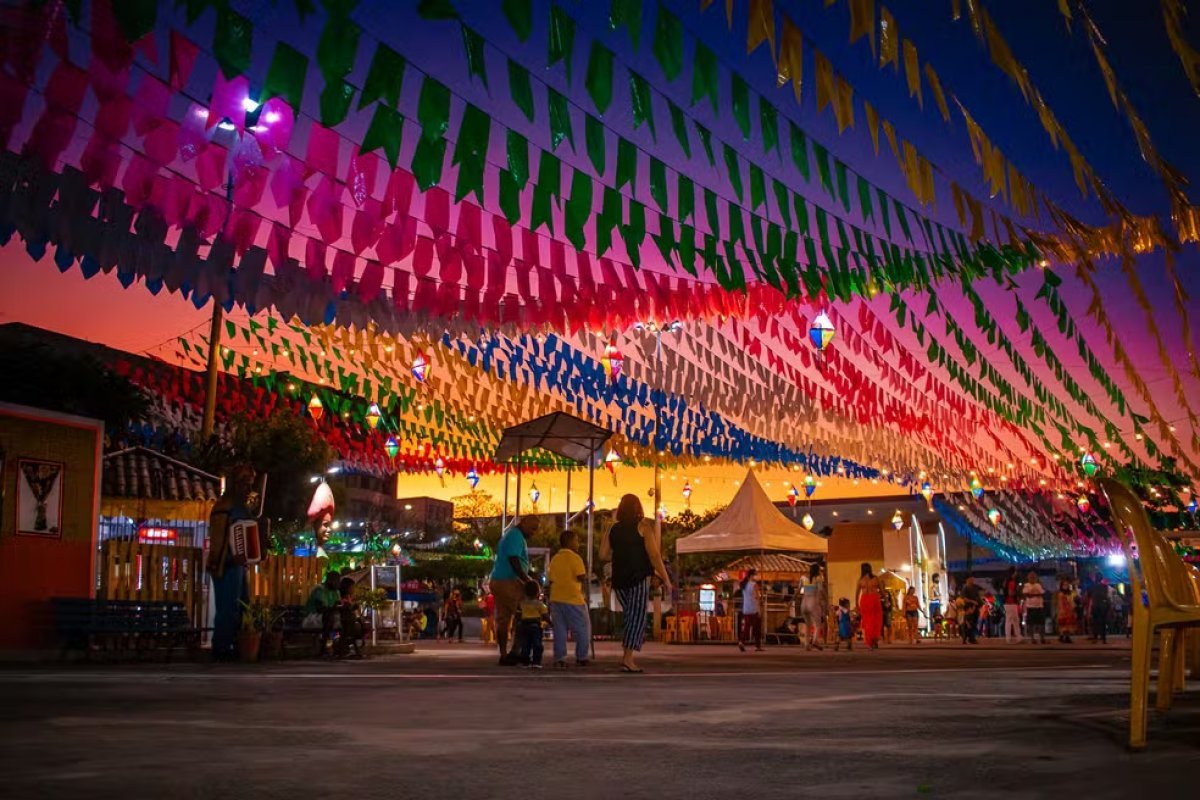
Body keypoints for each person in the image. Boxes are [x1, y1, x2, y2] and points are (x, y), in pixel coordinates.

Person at [599, 494, 671, 673]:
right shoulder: (643, 527)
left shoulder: (612, 529)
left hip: (619, 579)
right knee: (636, 617)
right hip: (638, 578)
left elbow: (603, 554)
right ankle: (628, 659)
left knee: (631, 616)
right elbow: (654, 555)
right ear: (638, 508)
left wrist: (621, 554)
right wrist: (666, 579)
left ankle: (627, 656)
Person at [205, 463, 256, 661]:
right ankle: (222, 648)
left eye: (250, 484)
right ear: (236, 484)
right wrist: (228, 558)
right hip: (226, 565)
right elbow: (218, 540)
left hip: (238, 565)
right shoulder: (224, 508)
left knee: (242, 606)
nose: (248, 489)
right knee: (228, 608)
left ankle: (234, 644)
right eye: (245, 484)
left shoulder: (241, 508)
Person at [490, 516, 539, 665]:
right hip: (509, 582)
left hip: (499, 580)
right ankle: (516, 652)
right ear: (523, 523)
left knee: (503, 619)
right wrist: (527, 579)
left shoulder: (510, 535)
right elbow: (514, 559)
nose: (534, 533)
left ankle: (504, 654)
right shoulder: (516, 536)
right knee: (525, 615)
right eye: (533, 528)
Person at [547, 529, 591, 668]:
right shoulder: (576, 558)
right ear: (570, 542)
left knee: (560, 629)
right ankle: (581, 656)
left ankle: (559, 658)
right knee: (582, 628)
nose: (578, 543)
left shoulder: (555, 558)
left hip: (556, 598)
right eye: (576, 540)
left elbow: (551, 579)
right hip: (573, 599)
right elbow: (581, 576)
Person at [305, 570, 342, 657]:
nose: (338, 584)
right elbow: (320, 609)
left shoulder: (336, 592)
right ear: (330, 580)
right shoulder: (319, 589)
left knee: (345, 618)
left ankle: (340, 647)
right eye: (337, 581)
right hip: (313, 617)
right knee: (328, 618)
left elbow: (337, 606)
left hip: (329, 617)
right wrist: (335, 608)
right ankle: (325, 647)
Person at [517, 580, 550, 668]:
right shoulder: (540, 605)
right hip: (536, 626)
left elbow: (518, 615)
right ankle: (536, 661)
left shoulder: (522, 604)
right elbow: (545, 616)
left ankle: (525, 661)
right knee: (537, 644)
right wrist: (551, 623)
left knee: (525, 644)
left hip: (524, 625)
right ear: (537, 592)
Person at [335, 576, 365, 659]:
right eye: (352, 587)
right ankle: (345, 650)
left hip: (348, 619)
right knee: (349, 628)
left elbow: (350, 608)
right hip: (342, 619)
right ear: (346, 587)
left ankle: (350, 650)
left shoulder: (349, 597)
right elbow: (341, 607)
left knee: (354, 626)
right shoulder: (340, 596)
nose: (353, 589)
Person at [856, 562, 883, 649]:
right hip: (874, 599)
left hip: (864, 600)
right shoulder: (875, 578)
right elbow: (881, 590)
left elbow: (857, 593)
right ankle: (874, 640)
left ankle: (870, 641)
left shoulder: (860, 580)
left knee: (867, 621)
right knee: (876, 620)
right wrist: (886, 600)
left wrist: (857, 604)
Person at [800, 562, 826, 650]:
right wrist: (824, 599)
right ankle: (815, 641)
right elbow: (820, 591)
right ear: (817, 570)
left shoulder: (803, 578)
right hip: (813, 601)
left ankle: (807, 644)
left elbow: (799, 590)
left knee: (808, 624)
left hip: (804, 602)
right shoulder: (818, 578)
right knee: (818, 624)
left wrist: (791, 600)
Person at [737, 569, 764, 652]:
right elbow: (757, 597)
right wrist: (759, 609)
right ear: (751, 576)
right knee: (757, 628)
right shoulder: (754, 585)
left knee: (747, 627)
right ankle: (757, 646)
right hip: (754, 608)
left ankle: (741, 642)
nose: (756, 577)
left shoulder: (743, 585)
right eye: (755, 575)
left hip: (746, 608)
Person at [1022, 571, 1047, 644]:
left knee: (1041, 623)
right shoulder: (1026, 585)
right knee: (1031, 624)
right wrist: (1036, 594)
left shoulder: (1038, 585)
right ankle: (1032, 639)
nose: (1032, 578)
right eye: (1031, 577)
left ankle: (1042, 638)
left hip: (1039, 606)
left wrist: (1033, 594)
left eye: (1034, 577)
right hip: (1030, 607)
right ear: (1028, 578)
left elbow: (1042, 593)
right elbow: (1027, 594)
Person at [1087, 574, 1111, 644]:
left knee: (1095, 623)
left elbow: (1089, 595)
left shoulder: (1092, 586)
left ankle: (1095, 638)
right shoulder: (1105, 587)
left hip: (1095, 606)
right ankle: (1103, 638)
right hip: (1103, 606)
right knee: (1103, 623)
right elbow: (1106, 596)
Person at [1001, 566, 1023, 644]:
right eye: (1015, 572)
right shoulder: (1011, 581)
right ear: (1013, 572)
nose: (1016, 573)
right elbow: (1011, 593)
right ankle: (1013, 637)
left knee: (1011, 620)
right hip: (1011, 602)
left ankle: (1014, 637)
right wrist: (1017, 592)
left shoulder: (1006, 580)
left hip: (1007, 603)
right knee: (1013, 621)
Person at [959, 577, 983, 645]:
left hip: (975, 608)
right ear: (967, 580)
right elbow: (964, 598)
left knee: (974, 623)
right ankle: (969, 638)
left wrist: (980, 604)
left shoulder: (974, 588)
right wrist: (972, 602)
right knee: (969, 624)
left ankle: (971, 638)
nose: (972, 581)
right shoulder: (965, 588)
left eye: (973, 579)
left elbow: (978, 598)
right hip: (968, 609)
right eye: (971, 579)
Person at [1056, 578, 1078, 643]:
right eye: (1064, 585)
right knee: (1064, 625)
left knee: (1069, 625)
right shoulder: (1061, 594)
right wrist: (1062, 610)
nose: (1066, 586)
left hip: (1069, 610)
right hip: (1064, 611)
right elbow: (1060, 603)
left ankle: (1065, 637)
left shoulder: (1069, 593)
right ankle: (1064, 637)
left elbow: (1072, 600)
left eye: (1067, 585)